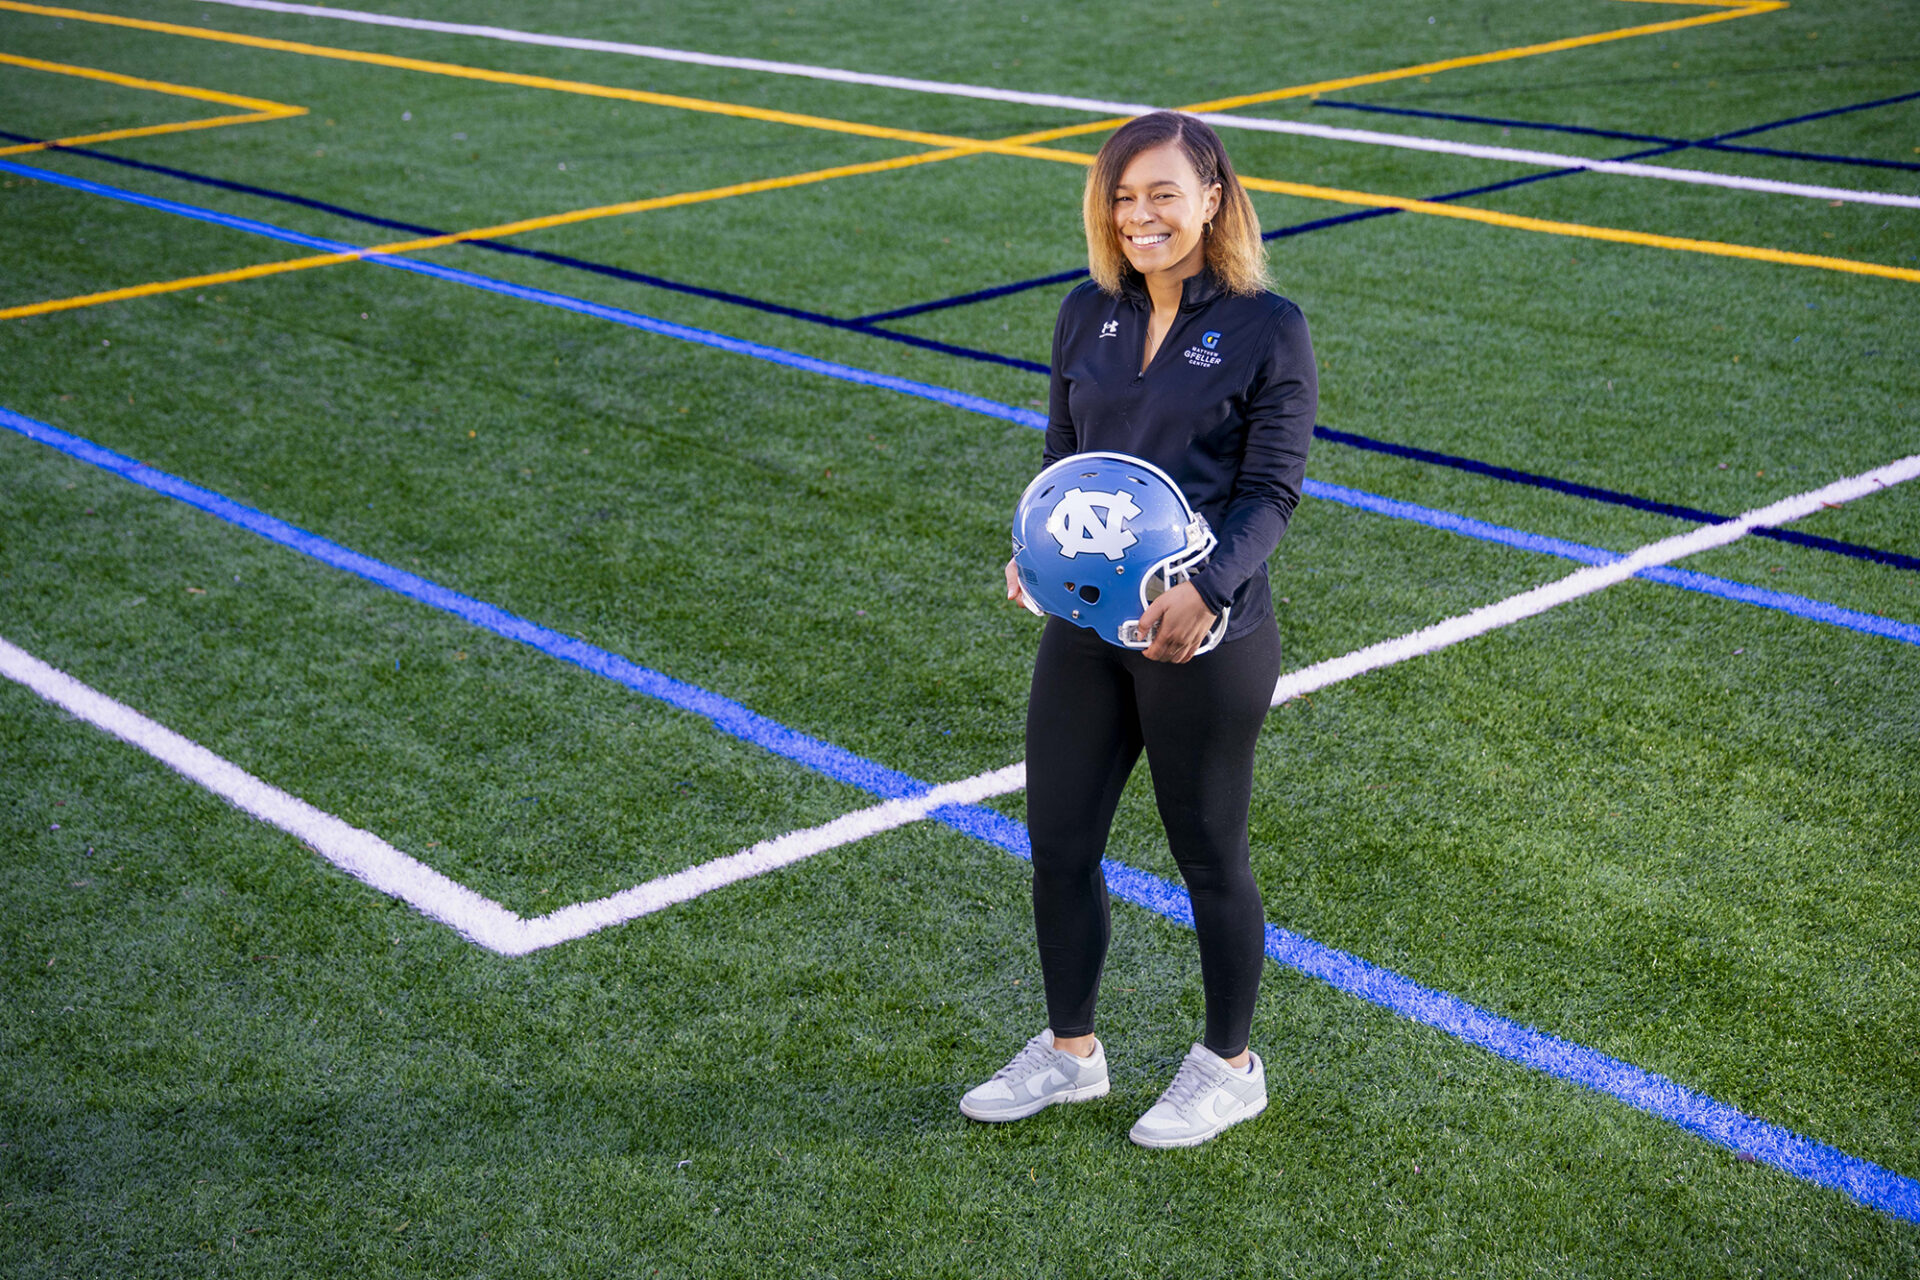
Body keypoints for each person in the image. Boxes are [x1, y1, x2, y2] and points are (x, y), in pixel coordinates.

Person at [960, 111, 1316, 1148]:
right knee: (1058, 841)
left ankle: (1229, 1064)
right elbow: (1062, 460)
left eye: (1163, 193)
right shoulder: (1087, 312)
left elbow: (1272, 493)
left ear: (1213, 197)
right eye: (1123, 196)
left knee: (1209, 852)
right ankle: (1071, 1053)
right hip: (1088, 631)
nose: (1140, 215)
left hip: (1203, 632)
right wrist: (1035, 553)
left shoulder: (1267, 325)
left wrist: (1205, 587)